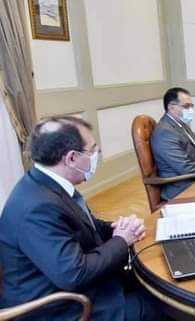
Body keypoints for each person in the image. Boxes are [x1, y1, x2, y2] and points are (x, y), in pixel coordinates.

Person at [0, 116, 164, 321]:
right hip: (62, 307)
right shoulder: (37, 207)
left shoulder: (49, 184)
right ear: (71, 158)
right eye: (92, 149)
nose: (96, 154)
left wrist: (119, 228)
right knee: (162, 306)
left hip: (83, 287)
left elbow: (86, 227)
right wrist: (122, 240)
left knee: (156, 284)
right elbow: (74, 274)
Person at [151, 87, 195, 200]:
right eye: (186, 106)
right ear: (171, 107)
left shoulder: (181, 124)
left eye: (192, 106)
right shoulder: (164, 132)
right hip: (182, 187)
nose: (191, 110)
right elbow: (185, 168)